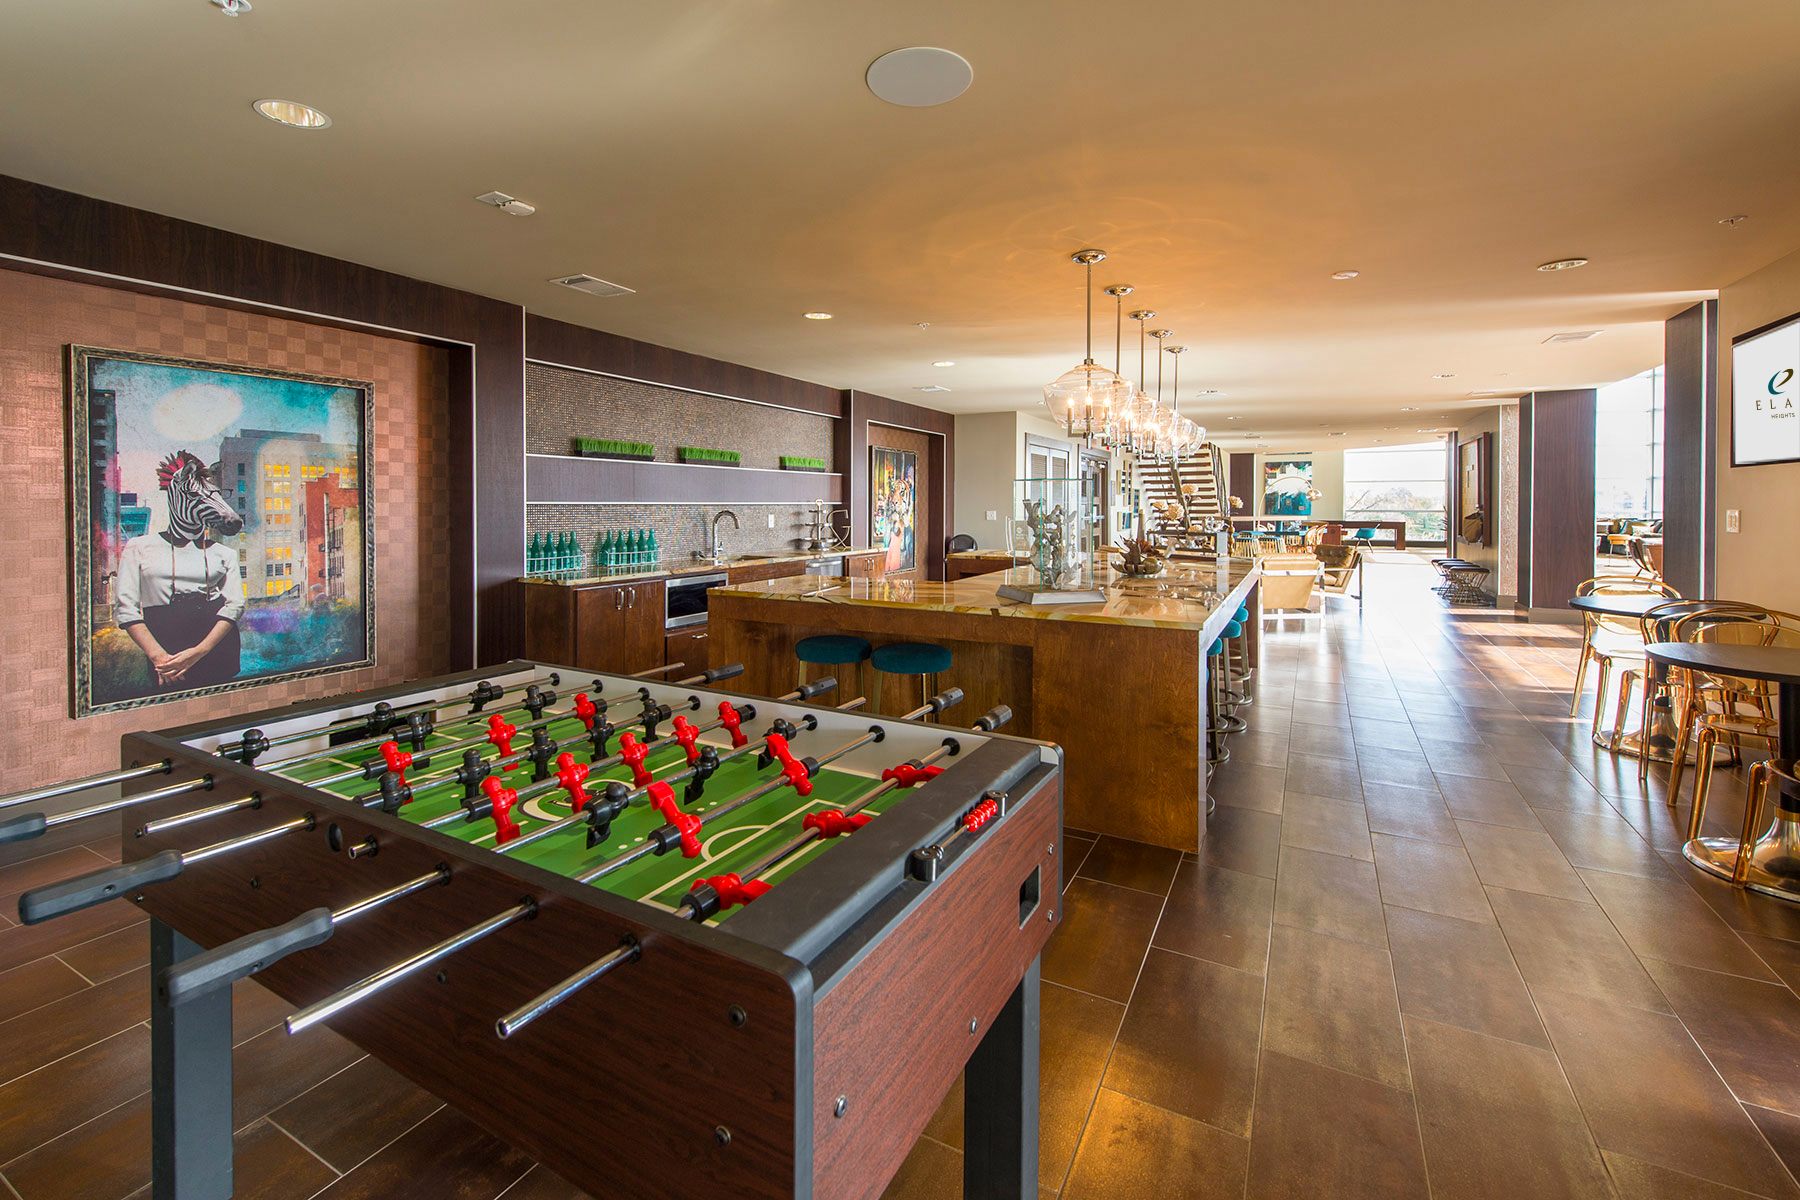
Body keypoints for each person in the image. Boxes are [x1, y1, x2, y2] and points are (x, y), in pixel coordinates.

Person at [115, 451, 246, 690]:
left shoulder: (224, 553)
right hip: (166, 653)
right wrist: (159, 658)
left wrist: (200, 651)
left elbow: (235, 605)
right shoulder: (139, 547)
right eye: (195, 495)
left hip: (218, 650)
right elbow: (126, 609)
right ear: (178, 496)